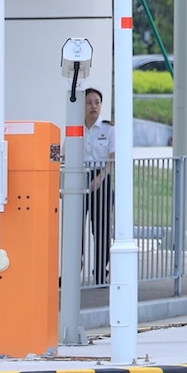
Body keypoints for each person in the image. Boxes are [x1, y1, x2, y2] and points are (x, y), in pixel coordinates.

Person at [81, 88, 115, 285]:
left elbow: (112, 158)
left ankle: (101, 271)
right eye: (89, 102)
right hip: (80, 178)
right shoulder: (75, 129)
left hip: (101, 179)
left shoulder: (108, 128)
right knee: (75, 228)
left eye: (97, 102)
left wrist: (100, 178)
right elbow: (66, 156)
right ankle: (73, 269)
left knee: (100, 229)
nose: (93, 106)